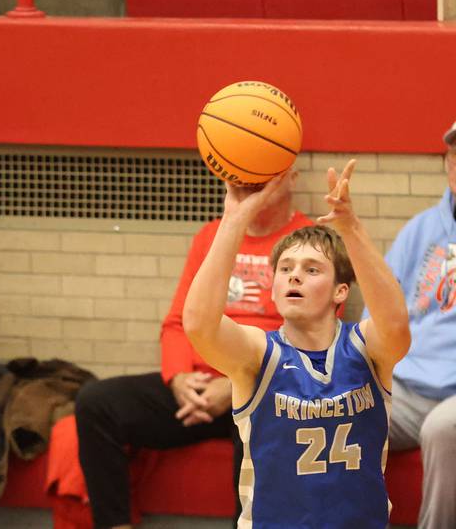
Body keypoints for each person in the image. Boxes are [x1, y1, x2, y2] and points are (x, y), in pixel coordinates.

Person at [75, 169, 312, 529]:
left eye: (265, 175)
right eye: (245, 176)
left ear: (291, 178)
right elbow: (177, 322)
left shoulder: (310, 242)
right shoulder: (210, 237)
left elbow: (311, 338)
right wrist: (178, 378)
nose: (252, 184)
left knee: (262, 420)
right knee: (96, 403)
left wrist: (236, 386)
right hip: (198, 387)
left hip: (262, 388)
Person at [183, 161, 410, 528]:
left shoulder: (366, 347)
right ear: (273, 289)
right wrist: (234, 220)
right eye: (285, 268)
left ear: (341, 291)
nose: (295, 276)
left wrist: (350, 229)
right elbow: (197, 324)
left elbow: (397, 324)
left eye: (312, 269)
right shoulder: (258, 355)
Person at [362, 122, 456, 529]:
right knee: (343, 411)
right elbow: (378, 313)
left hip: (453, 403)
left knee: (442, 429)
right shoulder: (421, 229)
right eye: (455, 157)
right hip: (407, 388)